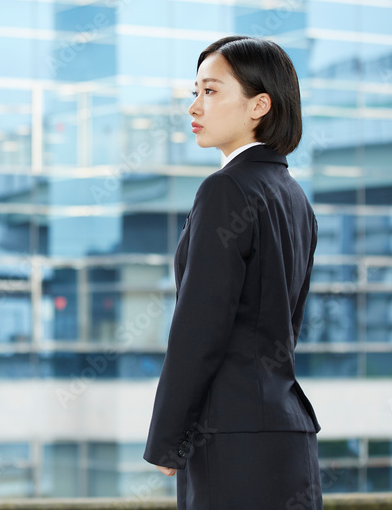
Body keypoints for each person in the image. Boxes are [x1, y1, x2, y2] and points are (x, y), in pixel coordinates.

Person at [143, 36, 323, 509]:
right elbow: (286, 328)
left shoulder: (225, 190)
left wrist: (167, 437)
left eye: (210, 91)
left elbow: (200, 324)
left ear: (259, 105)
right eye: (195, 92)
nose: (194, 106)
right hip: (288, 434)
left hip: (233, 438)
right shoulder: (294, 196)